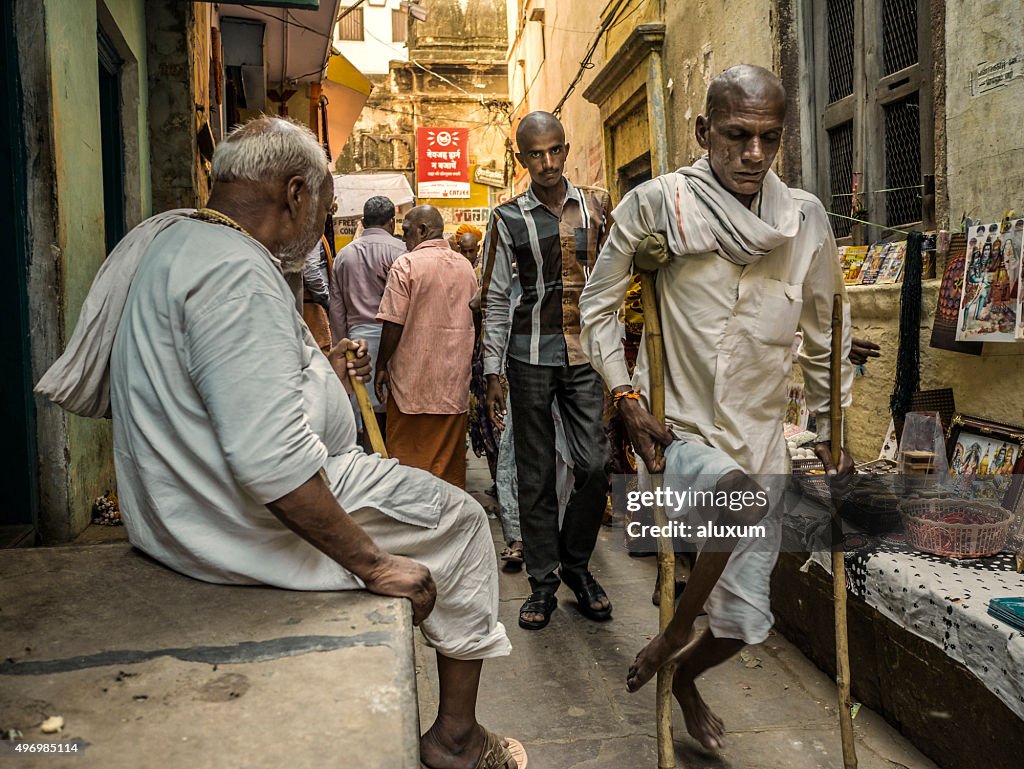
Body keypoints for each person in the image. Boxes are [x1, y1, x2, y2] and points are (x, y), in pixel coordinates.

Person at [44, 117, 523, 769]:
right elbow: (270, 461)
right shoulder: (234, 272)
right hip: (234, 522)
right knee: (465, 524)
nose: (323, 223)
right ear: (296, 194)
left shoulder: (183, 246)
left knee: (439, 509)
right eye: (325, 207)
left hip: (193, 507)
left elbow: (239, 391)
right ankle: (457, 741)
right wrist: (375, 564)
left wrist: (323, 367)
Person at [579, 65, 854, 750]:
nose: (753, 155)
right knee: (736, 501)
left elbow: (824, 333)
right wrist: (625, 397)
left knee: (743, 621)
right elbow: (597, 307)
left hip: (759, 436)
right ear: (705, 131)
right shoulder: (659, 205)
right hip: (679, 431)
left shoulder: (805, 219)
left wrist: (826, 426)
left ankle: (686, 673)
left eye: (768, 138)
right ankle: (672, 631)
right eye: (737, 136)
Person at [481, 111, 614, 630]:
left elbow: (614, 275)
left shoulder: (597, 207)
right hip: (528, 354)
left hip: (586, 355)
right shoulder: (507, 218)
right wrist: (493, 370)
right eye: (536, 154)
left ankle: (576, 566)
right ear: (523, 160)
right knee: (534, 474)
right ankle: (543, 583)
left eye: (555, 150)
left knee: (594, 464)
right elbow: (494, 298)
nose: (549, 163)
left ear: (565, 147)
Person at [375, 205, 479, 489]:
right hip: (452, 384)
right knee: (447, 471)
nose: (404, 237)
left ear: (422, 230)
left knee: (408, 470)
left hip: (412, 383)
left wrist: (381, 365)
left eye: (407, 231)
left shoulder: (406, 264)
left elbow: (393, 322)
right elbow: (477, 320)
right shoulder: (465, 268)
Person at [329, 195, 406, 451]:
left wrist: (342, 344)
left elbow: (337, 308)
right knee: (395, 409)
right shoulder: (402, 252)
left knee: (365, 412)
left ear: (363, 222)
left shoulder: (345, 255)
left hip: (357, 342)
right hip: (396, 340)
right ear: (392, 222)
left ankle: (370, 463)